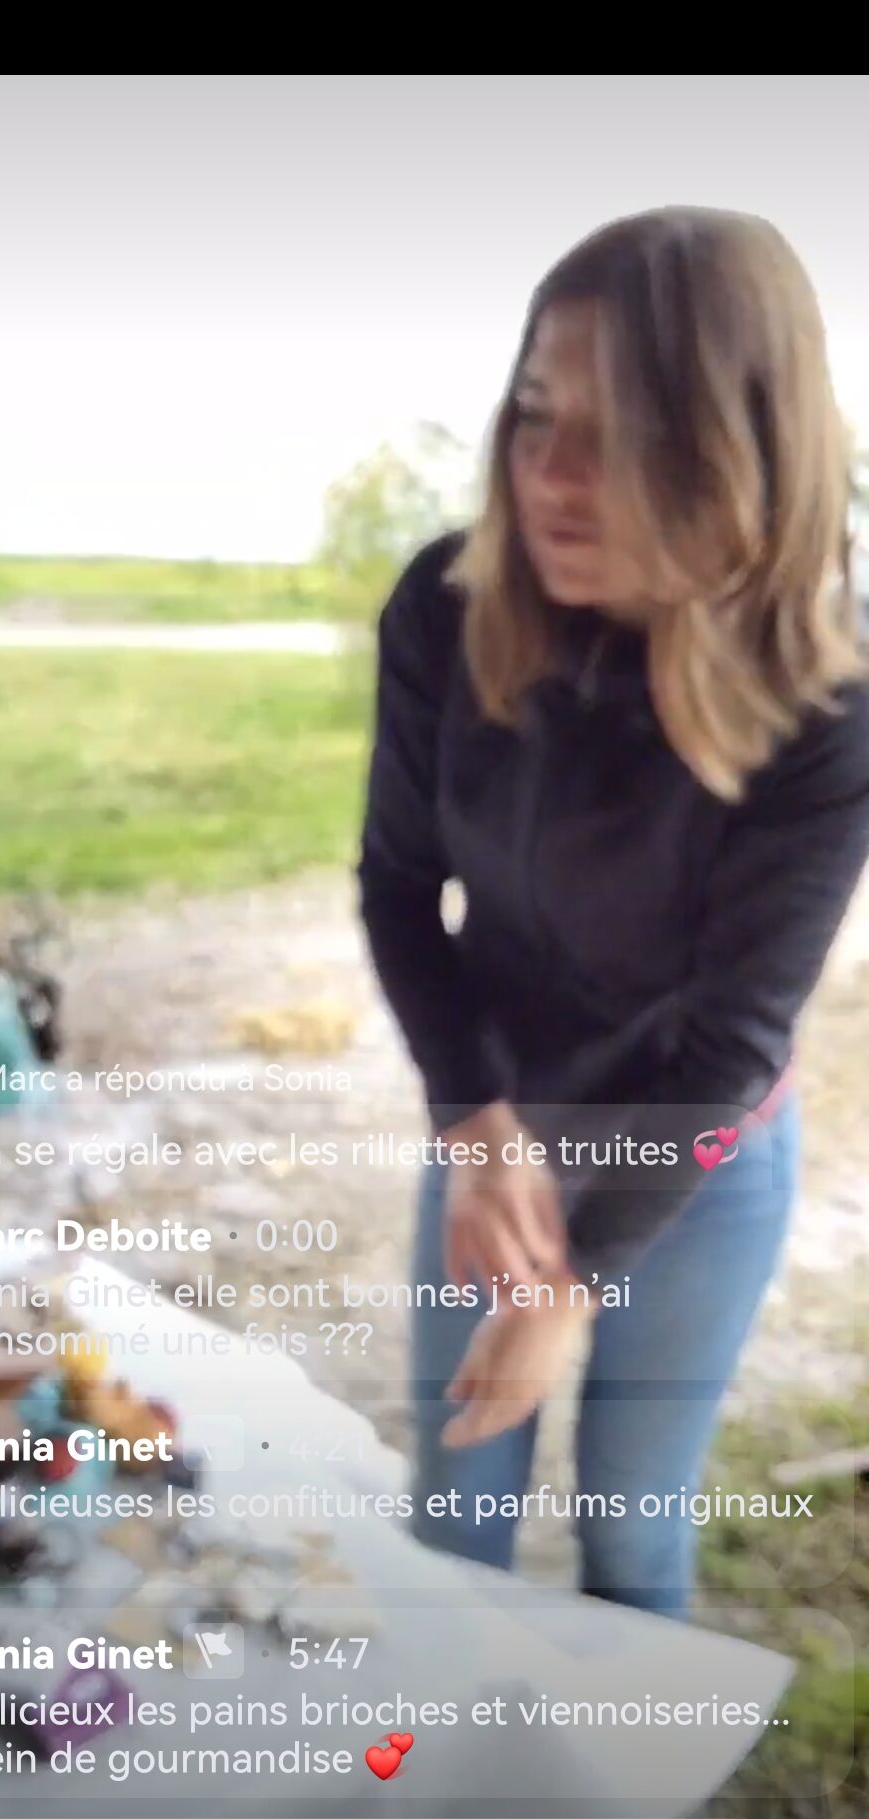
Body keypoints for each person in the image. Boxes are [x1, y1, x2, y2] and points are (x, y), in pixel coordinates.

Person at [358, 207, 869, 1619]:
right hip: (499, 1132)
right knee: (455, 1507)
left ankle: (615, 1765)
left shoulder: (827, 710)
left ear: (740, 452)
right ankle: (440, 1755)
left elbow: (729, 1046)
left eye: (624, 433)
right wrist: (474, 1123)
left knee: (633, 1533)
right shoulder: (446, 609)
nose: (554, 478)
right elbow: (397, 885)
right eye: (537, 415)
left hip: (696, 1159)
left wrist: (573, 1284)